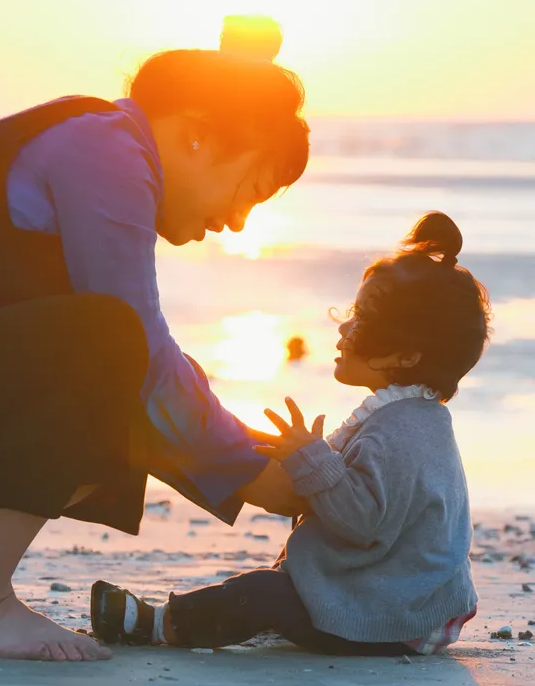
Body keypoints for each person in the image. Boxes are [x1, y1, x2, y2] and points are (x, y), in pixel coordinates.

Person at [0, 32, 310, 661]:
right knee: (109, 344)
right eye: (251, 187)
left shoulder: (100, 140)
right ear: (197, 134)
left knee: (123, 380)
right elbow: (138, 344)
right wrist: (253, 475)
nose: (237, 221)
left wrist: (262, 459)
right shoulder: (105, 148)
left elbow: (158, 383)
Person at [91, 212, 490, 657]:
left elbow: (362, 522)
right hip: (400, 598)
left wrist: (313, 460)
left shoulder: (402, 432)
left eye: (360, 318)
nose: (343, 326)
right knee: (277, 589)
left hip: (390, 616)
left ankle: (155, 624)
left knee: (262, 593)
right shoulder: (409, 416)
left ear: (406, 354)